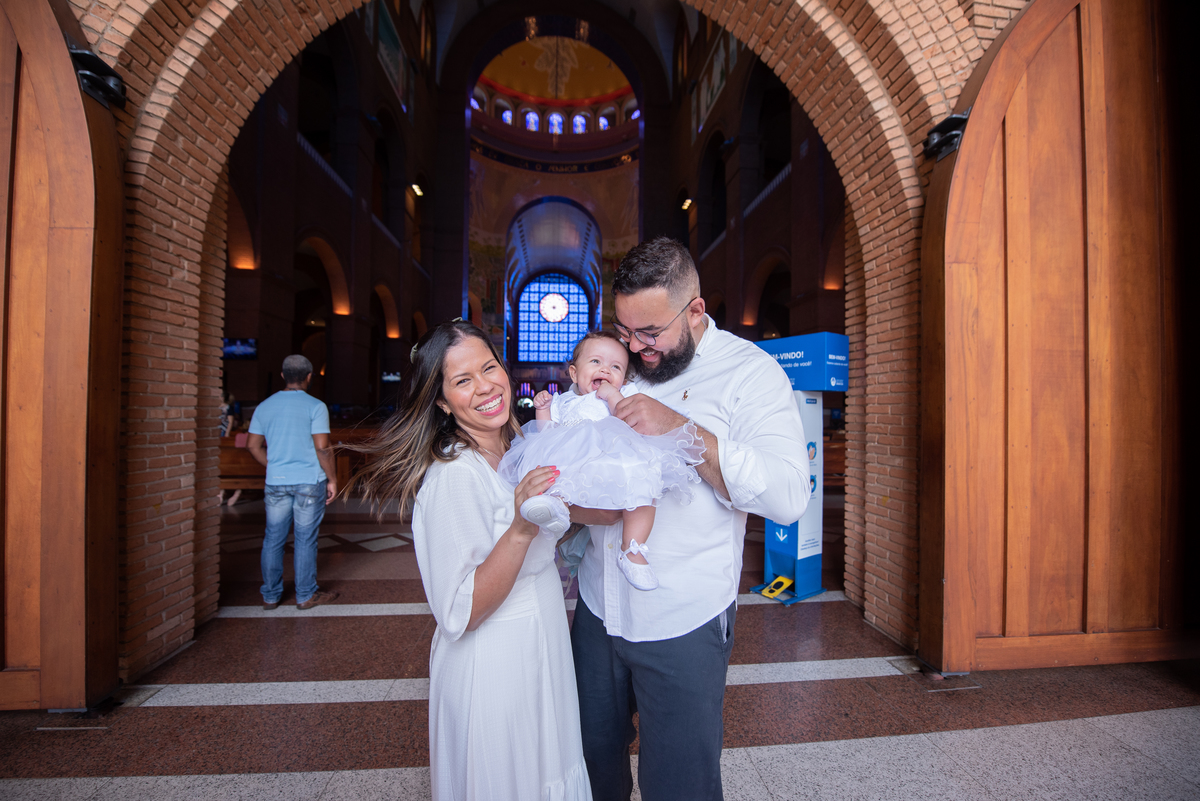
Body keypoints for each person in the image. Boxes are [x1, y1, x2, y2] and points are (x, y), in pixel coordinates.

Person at [571, 237, 812, 801]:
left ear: (696, 310)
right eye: (625, 330)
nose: (634, 347)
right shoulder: (620, 361)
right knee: (590, 765)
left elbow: (787, 494)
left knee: (678, 782)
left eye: (649, 334)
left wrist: (682, 430)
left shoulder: (750, 373)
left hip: (682, 616)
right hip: (597, 607)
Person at [348, 321, 593, 801]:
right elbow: (462, 609)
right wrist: (522, 526)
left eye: (489, 367)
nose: (485, 386)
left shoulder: (515, 447)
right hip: (495, 662)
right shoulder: (453, 475)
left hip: (540, 641)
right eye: (463, 380)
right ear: (441, 401)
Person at [498, 330, 704, 591]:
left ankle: (633, 550)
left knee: (644, 485)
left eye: (615, 367)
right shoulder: (564, 401)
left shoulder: (622, 393)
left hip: (613, 459)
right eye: (596, 362)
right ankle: (555, 508)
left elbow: (625, 414)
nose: (605, 370)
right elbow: (546, 435)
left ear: (624, 378)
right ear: (574, 373)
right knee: (549, 472)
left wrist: (609, 394)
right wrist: (543, 409)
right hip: (574, 464)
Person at [246, 355, 339, 611]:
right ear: (309, 377)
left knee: (273, 539)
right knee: (305, 539)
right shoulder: (315, 406)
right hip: (309, 481)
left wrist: (275, 466)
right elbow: (322, 448)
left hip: (276, 482)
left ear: (283, 376)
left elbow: (252, 446)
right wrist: (332, 477)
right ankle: (306, 594)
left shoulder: (264, 406)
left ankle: (271, 595)